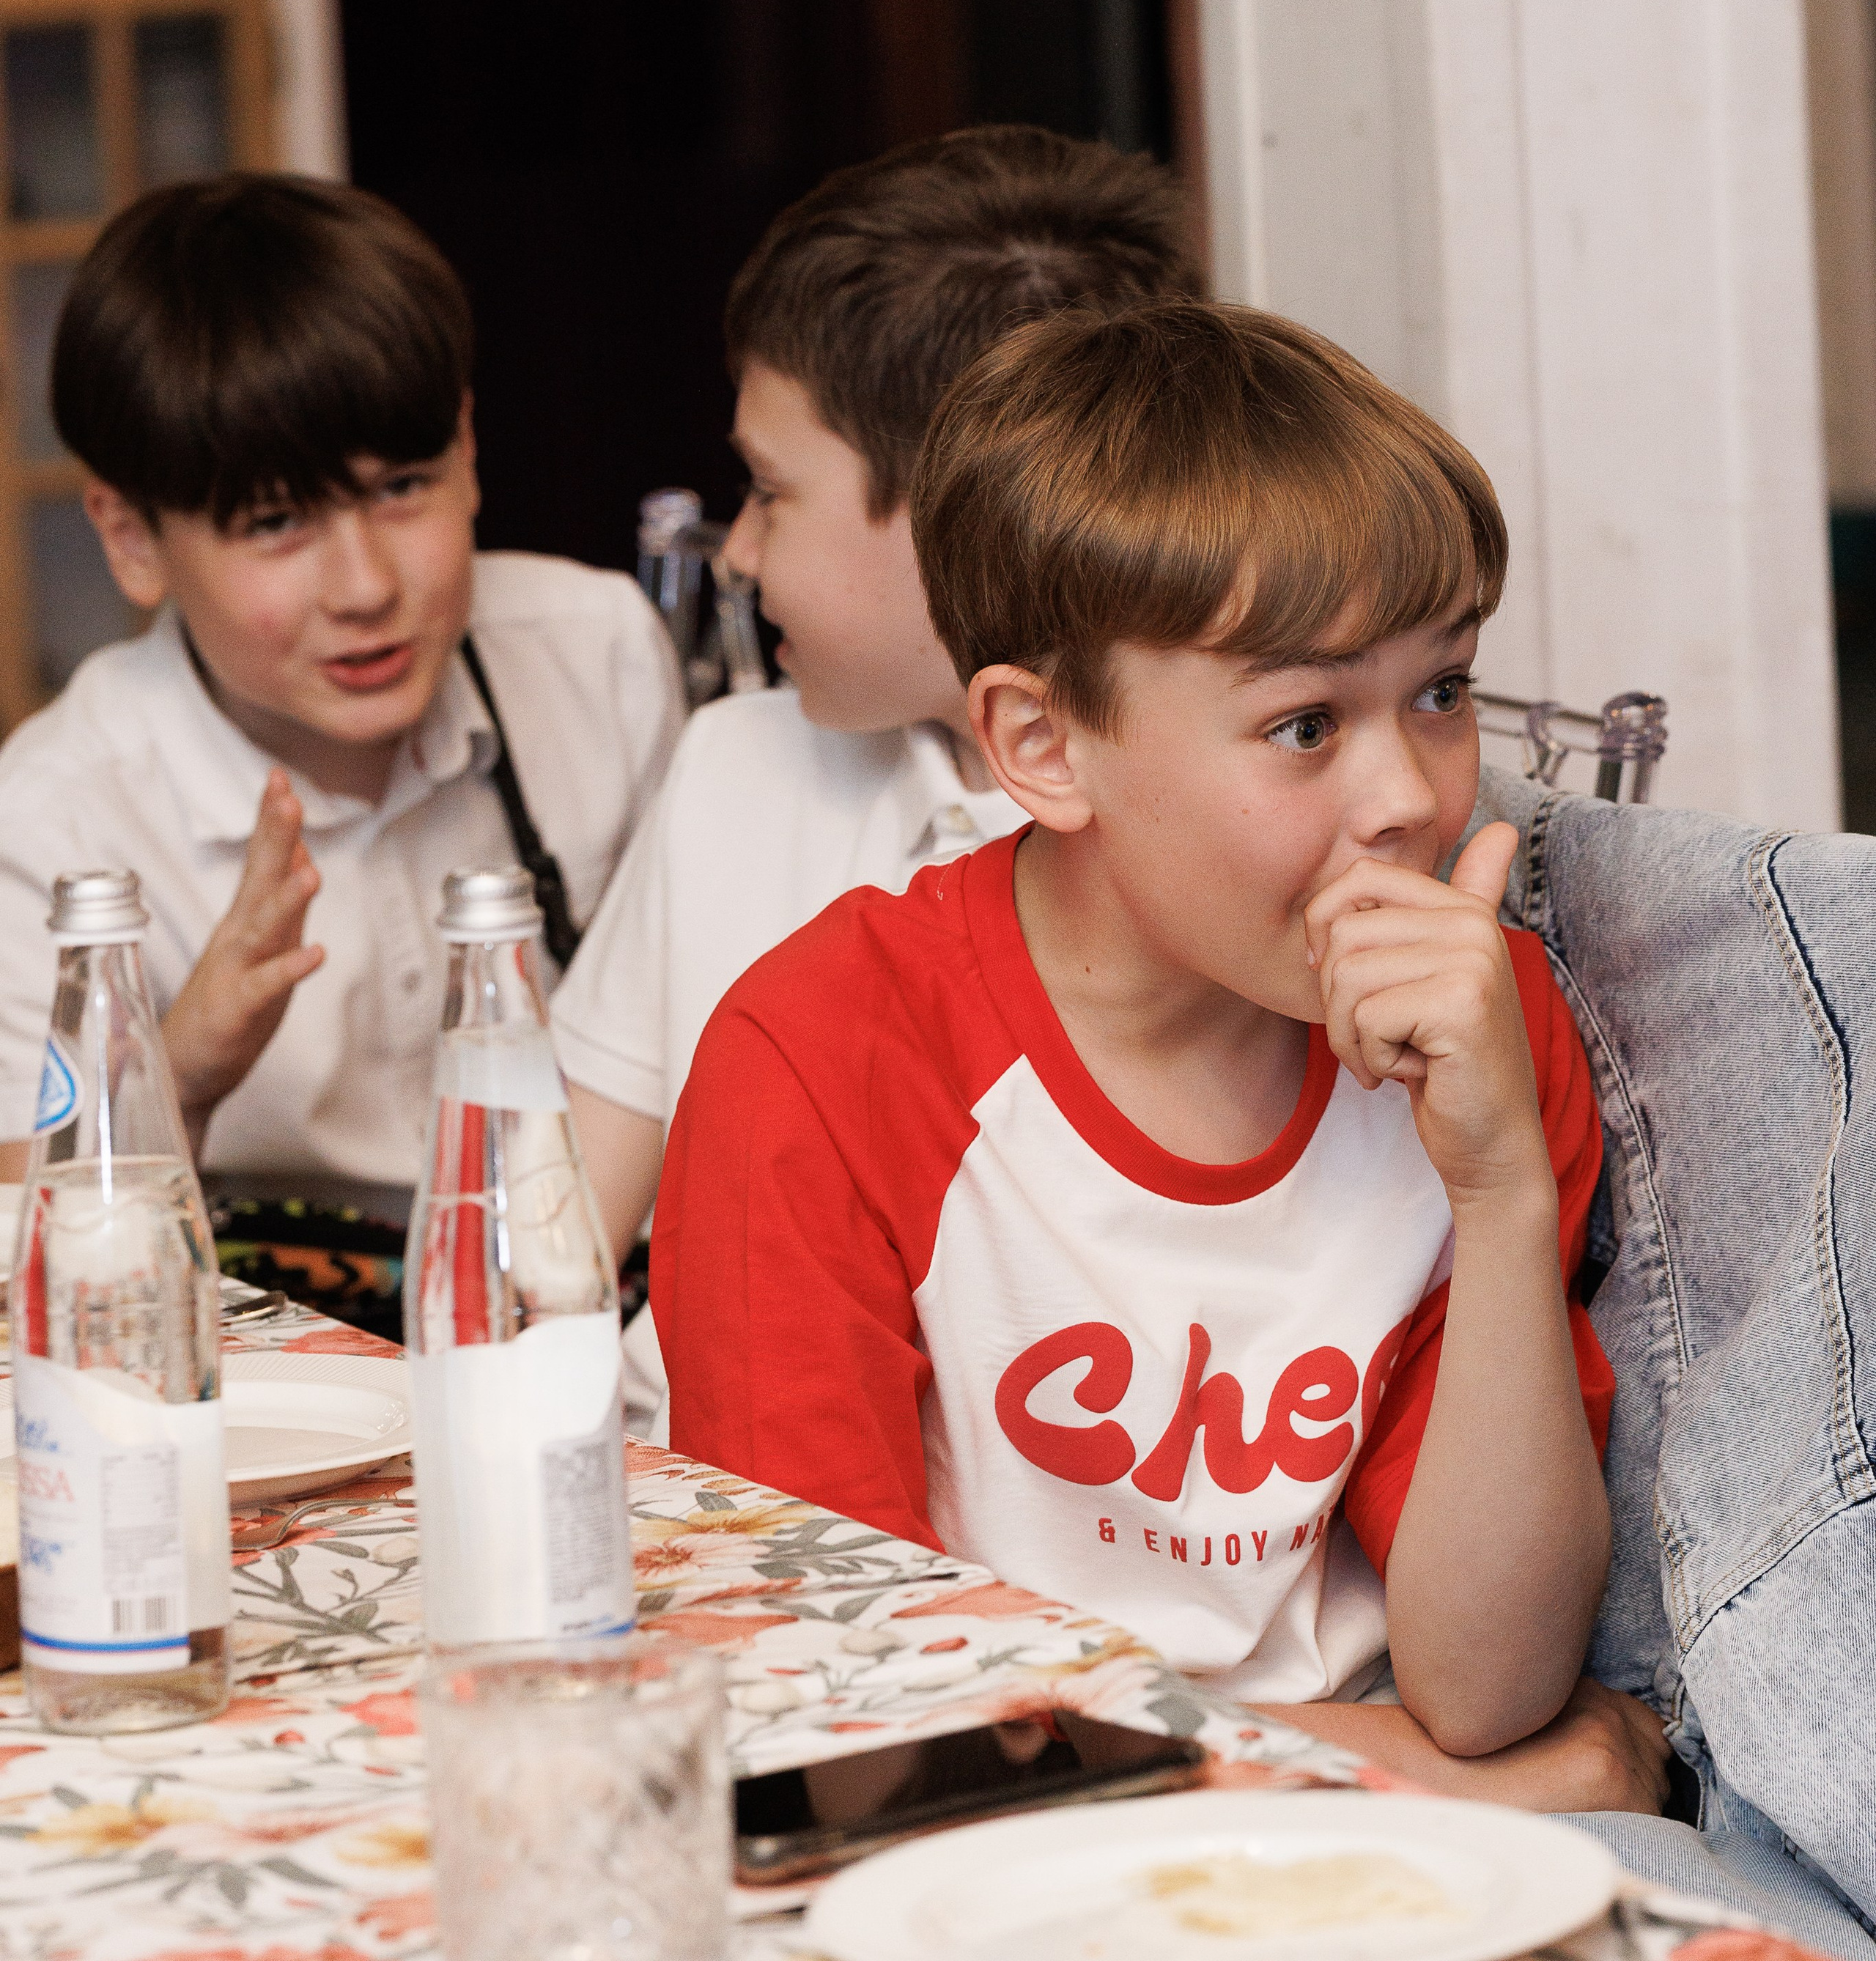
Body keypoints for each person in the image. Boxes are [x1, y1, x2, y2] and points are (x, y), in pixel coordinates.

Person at [653, 298, 1670, 1809]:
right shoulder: (819, 1057)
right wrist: (1416, 1773)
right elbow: (856, 1761)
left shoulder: (1480, 1026)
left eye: (1441, 689)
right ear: (1044, 747)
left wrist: (1502, 1192)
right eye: (1305, 722)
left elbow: (1483, 1685)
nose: (1407, 795)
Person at [551, 124, 1203, 1271]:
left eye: (768, 491)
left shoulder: (1186, 848)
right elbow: (545, 1246)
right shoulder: (732, 767)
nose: (738, 552)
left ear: (961, 505)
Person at [0, 174, 683, 1199]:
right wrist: (174, 1075)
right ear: (132, 537)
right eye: (276, 521)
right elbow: (23, 1245)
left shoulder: (598, 656)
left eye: (402, 488)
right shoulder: (56, 825)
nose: (366, 586)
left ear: (467, 448)